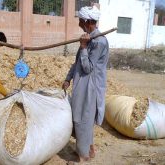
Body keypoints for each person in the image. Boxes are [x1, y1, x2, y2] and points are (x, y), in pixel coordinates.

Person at [62, 6, 109, 164]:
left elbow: (88, 67)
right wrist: (68, 78)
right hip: (81, 85)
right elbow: (77, 63)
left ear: (88, 21)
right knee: (83, 119)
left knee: (83, 120)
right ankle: (89, 150)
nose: (79, 23)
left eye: (81, 20)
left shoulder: (99, 42)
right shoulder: (88, 38)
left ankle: (83, 157)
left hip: (90, 87)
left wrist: (83, 47)